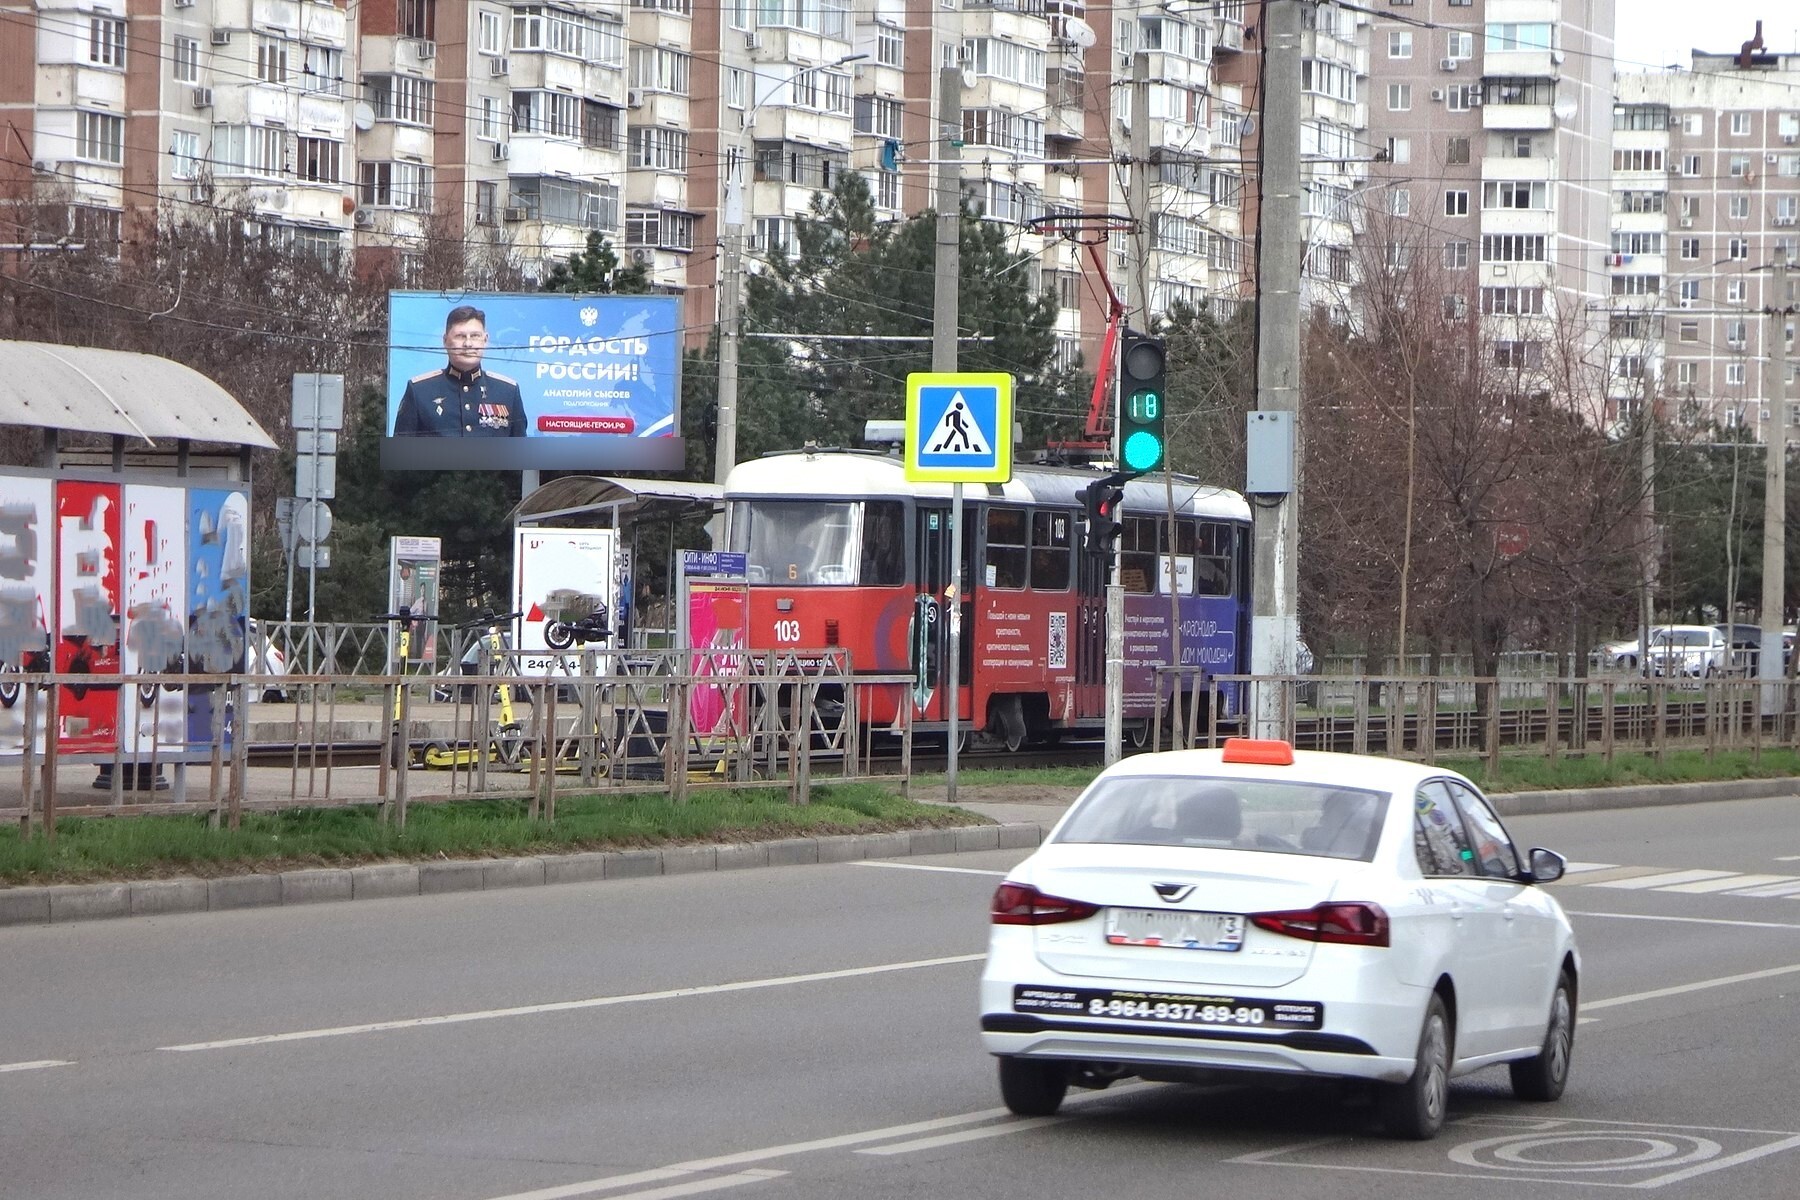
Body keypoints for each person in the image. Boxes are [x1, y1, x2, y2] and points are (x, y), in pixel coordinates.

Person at [392, 305, 527, 436]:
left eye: (475, 336)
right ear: (445, 341)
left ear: (485, 340)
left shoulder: (508, 392)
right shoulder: (419, 391)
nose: (468, 344)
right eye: (460, 336)